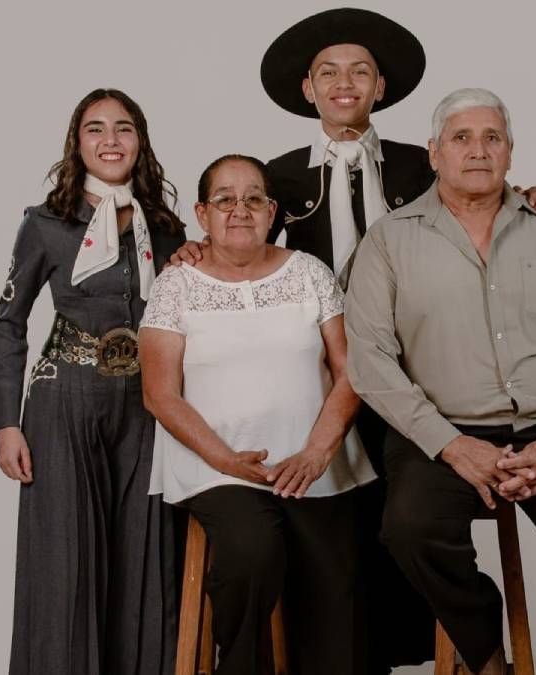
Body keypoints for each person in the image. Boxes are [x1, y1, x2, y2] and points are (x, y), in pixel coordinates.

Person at [172, 12, 536, 670]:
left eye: (358, 71)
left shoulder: (425, 160)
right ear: (308, 90)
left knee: (405, 518)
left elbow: (483, 198)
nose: (343, 83)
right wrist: (196, 248)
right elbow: (241, 245)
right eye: (328, 73)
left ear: (380, 86)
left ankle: (456, 642)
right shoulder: (279, 177)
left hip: (425, 372)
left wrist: (527, 197)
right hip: (328, 376)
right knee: (332, 527)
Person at [345, 87, 536, 675]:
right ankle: (484, 651)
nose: (478, 151)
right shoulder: (389, 239)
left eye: (493, 138)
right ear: (434, 153)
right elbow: (371, 361)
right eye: (461, 138)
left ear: (511, 151)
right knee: (408, 529)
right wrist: (453, 447)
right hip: (442, 437)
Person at [139, 154, 377, 675]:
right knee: (252, 553)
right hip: (217, 469)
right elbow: (160, 394)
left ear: (273, 212)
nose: (239, 209)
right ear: (202, 214)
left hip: (317, 466)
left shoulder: (310, 273)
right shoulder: (175, 284)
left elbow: (351, 372)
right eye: (225, 199)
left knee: (337, 586)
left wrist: (317, 453)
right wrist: (226, 461)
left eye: (253, 199)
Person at [0, 88, 186, 675]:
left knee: (146, 556)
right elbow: (9, 324)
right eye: (95, 129)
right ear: (77, 143)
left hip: (149, 403)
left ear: (140, 141)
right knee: (65, 564)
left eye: (123, 129)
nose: (110, 141)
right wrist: (6, 423)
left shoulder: (166, 228)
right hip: (64, 398)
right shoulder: (47, 224)